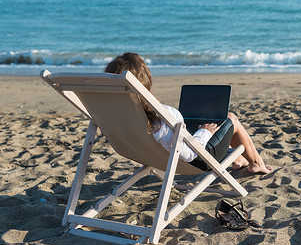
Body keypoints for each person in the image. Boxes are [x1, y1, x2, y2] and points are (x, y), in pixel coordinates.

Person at [105, 52, 273, 174]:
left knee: (208, 128)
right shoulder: (163, 114)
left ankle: (238, 160)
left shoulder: (116, 115)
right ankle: (257, 163)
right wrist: (204, 132)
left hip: (148, 156)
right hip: (196, 162)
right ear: (146, 81)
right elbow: (192, 152)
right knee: (230, 118)